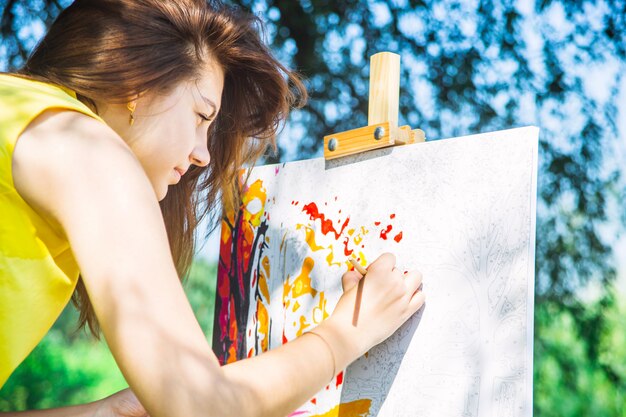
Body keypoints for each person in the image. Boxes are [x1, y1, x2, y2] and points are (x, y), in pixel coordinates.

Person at [0, 0, 426, 416]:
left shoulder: (22, 113)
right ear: (136, 85)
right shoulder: (87, 148)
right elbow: (202, 407)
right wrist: (344, 334)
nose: (203, 154)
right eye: (202, 116)